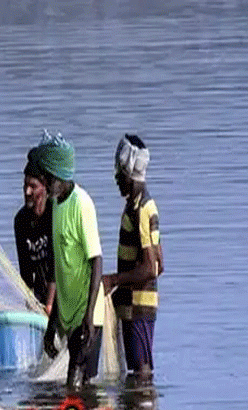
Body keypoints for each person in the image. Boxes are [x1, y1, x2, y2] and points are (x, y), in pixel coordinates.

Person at [37, 131, 104, 389]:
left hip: (86, 316)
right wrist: (52, 324)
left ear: (62, 176)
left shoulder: (81, 204)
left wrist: (89, 316)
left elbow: (96, 260)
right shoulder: (56, 205)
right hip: (68, 315)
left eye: (49, 179)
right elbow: (59, 264)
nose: (45, 184)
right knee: (80, 388)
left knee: (75, 388)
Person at [102, 134, 164, 385]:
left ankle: (143, 400)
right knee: (137, 371)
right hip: (132, 304)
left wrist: (114, 280)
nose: (117, 179)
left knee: (141, 373)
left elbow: (151, 268)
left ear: (130, 173)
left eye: (120, 173)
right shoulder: (139, 205)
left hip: (139, 308)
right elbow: (160, 262)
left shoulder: (141, 209)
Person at [14, 146, 56, 315]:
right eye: (25, 185)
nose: (27, 191)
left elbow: (56, 265)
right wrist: (30, 301)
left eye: (33, 186)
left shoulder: (54, 213)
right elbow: (25, 269)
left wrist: (49, 304)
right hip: (40, 294)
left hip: (60, 292)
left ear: (44, 187)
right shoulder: (21, 220)